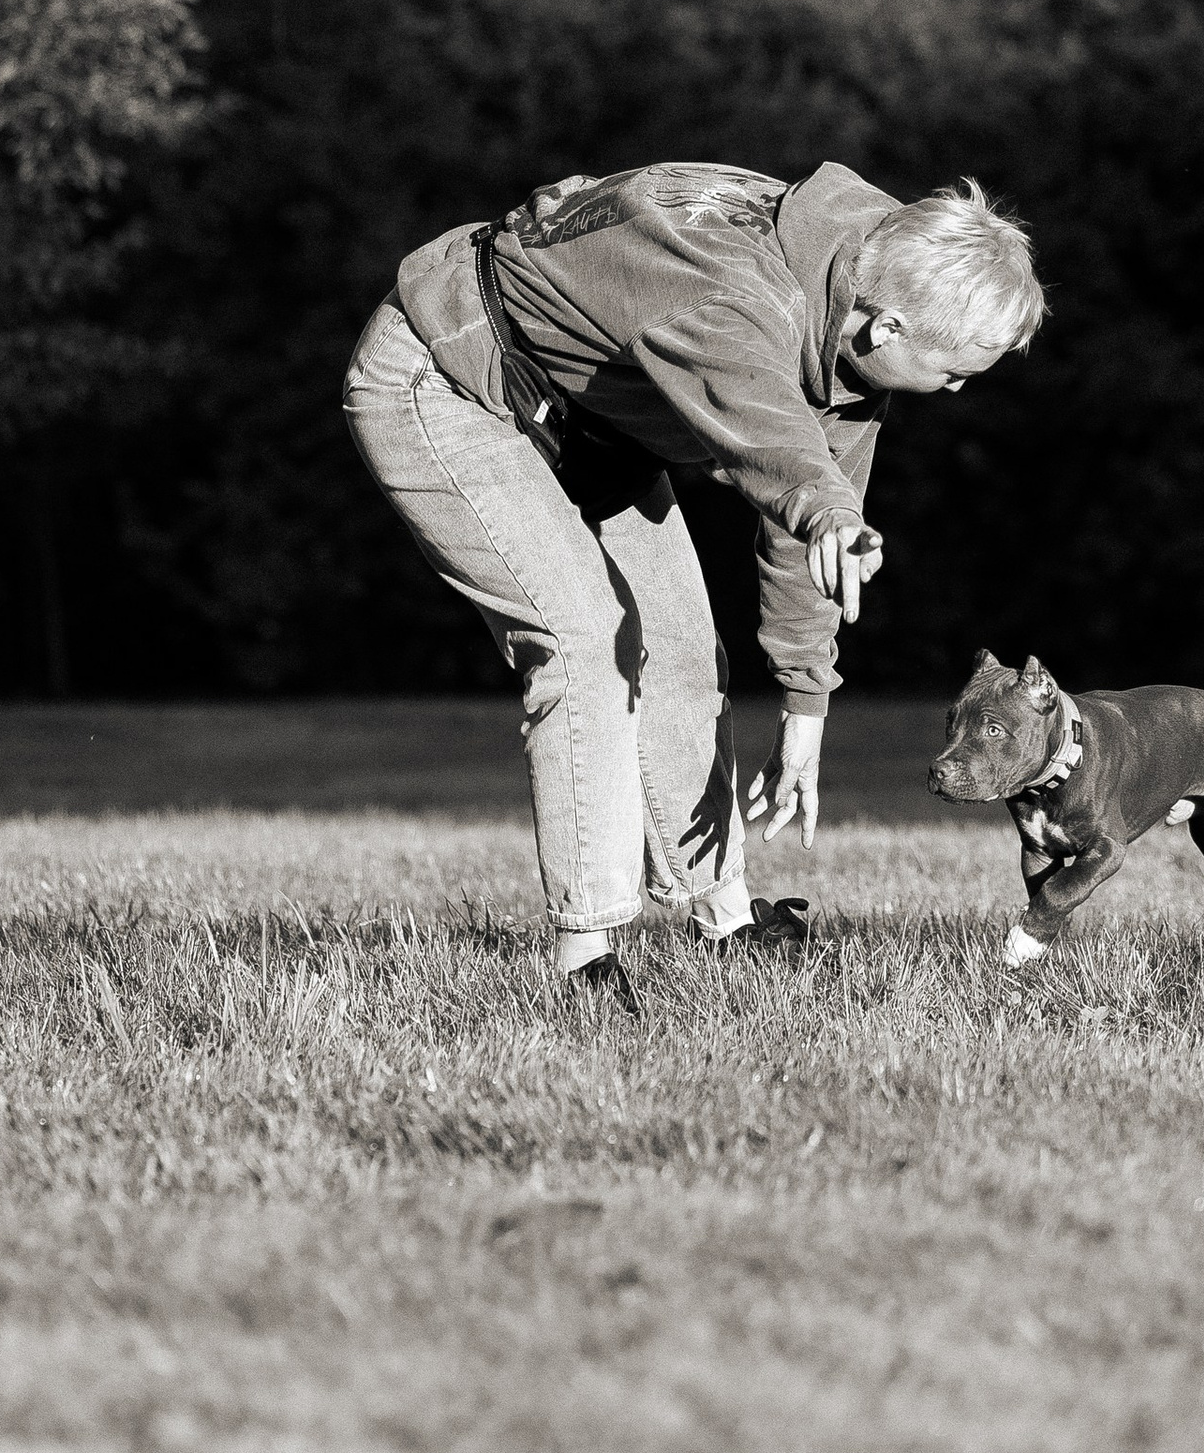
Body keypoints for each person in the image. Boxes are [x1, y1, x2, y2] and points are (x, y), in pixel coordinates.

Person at [341, 159, 1046, 1005]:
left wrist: (804, 701)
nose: (961, 391)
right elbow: (774, 438)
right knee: (581, 640)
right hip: (449, 377)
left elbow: (811, 505)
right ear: (887, 328)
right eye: (956, 370)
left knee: (678, 648)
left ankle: (724, 918)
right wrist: (824, 510)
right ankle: (586, 958)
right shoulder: (728, 294)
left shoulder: (857, 292)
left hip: (591, 423)